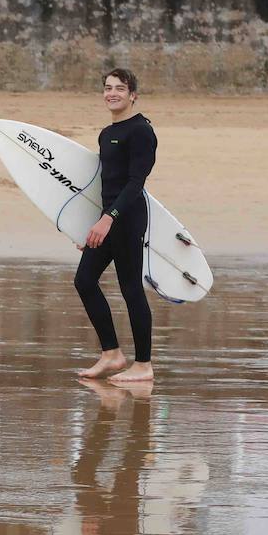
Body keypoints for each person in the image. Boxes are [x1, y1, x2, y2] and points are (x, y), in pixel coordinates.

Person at [74, 67, 156, 384]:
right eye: (108, 88)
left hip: (128, 217)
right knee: (84, 281)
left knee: (131, 288)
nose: (112, 93)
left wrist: (109, 219)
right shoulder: (106, 134)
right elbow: (104, 185)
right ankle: (112, 355)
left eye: (119, 88)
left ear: (133, 94)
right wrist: (94, 225)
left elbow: (136, 183)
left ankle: (144, 365)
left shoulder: (142, 132)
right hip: (109, 219)